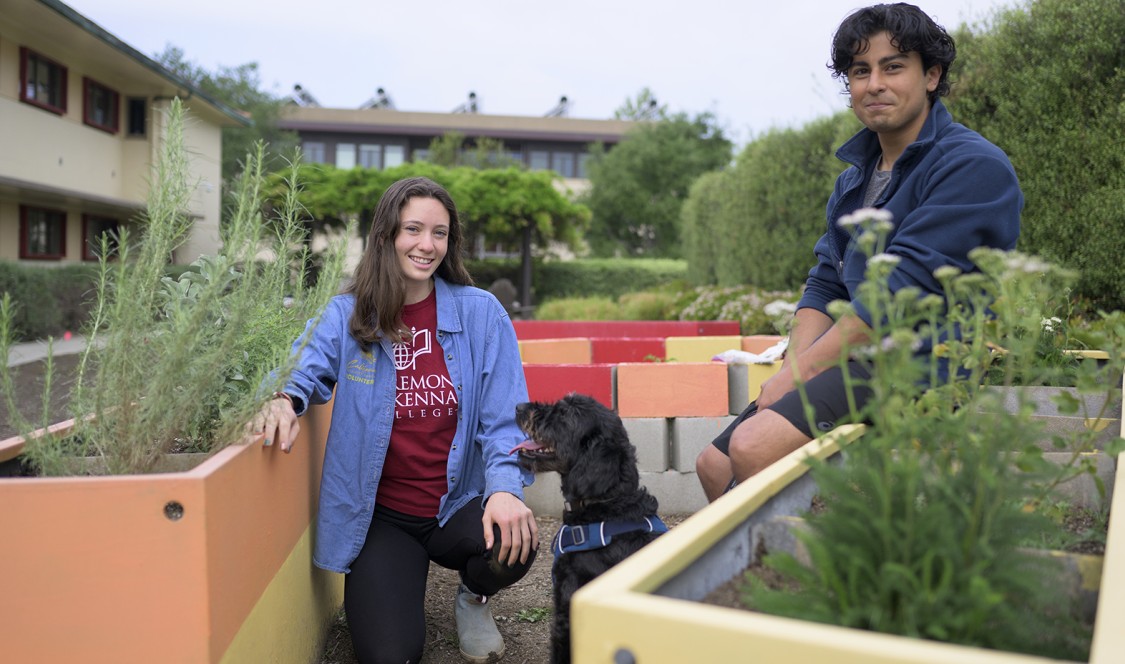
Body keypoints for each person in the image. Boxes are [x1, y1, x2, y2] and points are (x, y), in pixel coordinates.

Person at [696, 2, 1023, 502]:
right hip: (857, 357)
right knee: (713, 464)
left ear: (931, 75)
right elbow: (825, 282)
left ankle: (814, 552)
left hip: (922, 361)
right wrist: (790, 371)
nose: (874, 84)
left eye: (893, 67)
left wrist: (802, 374)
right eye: (860, 71)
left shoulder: (972, 166)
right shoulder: (854, 180)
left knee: (753, 446)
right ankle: (774, 548)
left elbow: (895, 298)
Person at [251, 176, 539, 663]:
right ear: (386, 235)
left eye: (440, 233)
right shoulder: (348, 316)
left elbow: (504, 421)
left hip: (457, 502)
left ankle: (473, 595)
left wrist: (505, 490)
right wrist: (281, 397)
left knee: (516, 542)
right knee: (390, 655)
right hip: (383, 517)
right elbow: (301, 366)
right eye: (413, 229)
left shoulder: (481, 314)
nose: (427, 245)